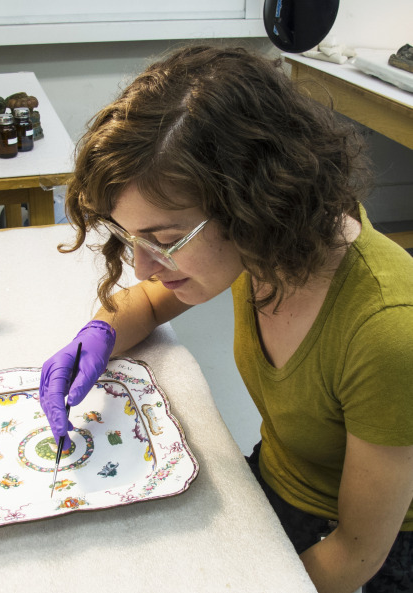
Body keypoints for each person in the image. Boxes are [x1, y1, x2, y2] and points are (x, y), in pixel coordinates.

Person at [39, 45, 413, 592]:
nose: (143, 265)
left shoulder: (386, 330)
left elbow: (356, 555)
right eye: (131, 239)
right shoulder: (265, 245)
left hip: (372, 544)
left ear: (255, 204)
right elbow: (143, 300)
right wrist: (99, 332)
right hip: (279, 480)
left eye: (164, 241)